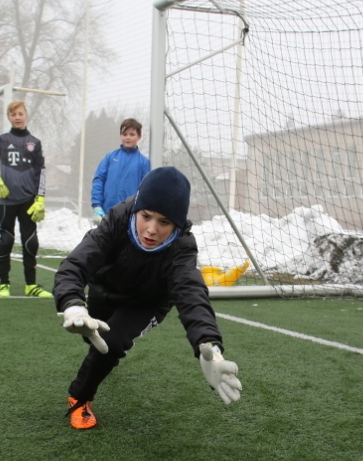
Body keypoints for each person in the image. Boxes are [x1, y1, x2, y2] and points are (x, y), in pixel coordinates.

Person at [52, 166, 242, 429]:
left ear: (176, 223)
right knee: (93, 337)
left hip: (147, 303)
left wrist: (209, 344)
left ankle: (79, 397)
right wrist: (73, 306)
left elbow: (191, 294)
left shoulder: (182, 247)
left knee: (112, 342)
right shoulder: (117, 219)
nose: (151, 229)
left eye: (164, 222)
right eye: (146, 216)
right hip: (104, 289)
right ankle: (97, 355)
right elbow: (74, 266)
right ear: (137, 209)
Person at [0, 100, 49, 298]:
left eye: (20, 113)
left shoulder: (35, 142)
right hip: (5, 202)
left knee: (30, 242)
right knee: (6, 241)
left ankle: (31, 285)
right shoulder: (2, 139)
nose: (17, 117)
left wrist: (40, 198)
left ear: (26, 115)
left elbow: (40, 171)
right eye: (13, 114)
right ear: (8, 117)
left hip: (28, 201)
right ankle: (4, 283)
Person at [90, 118, 150, 222]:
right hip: (106, 214)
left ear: (139, 136)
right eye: (125, 134)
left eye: (132, 134)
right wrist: (97, 206)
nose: (128, 137)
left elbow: (146, 190)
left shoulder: (144, 162)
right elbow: (99, 180)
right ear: (120, 135)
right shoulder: (110, 157)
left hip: (129, 217)